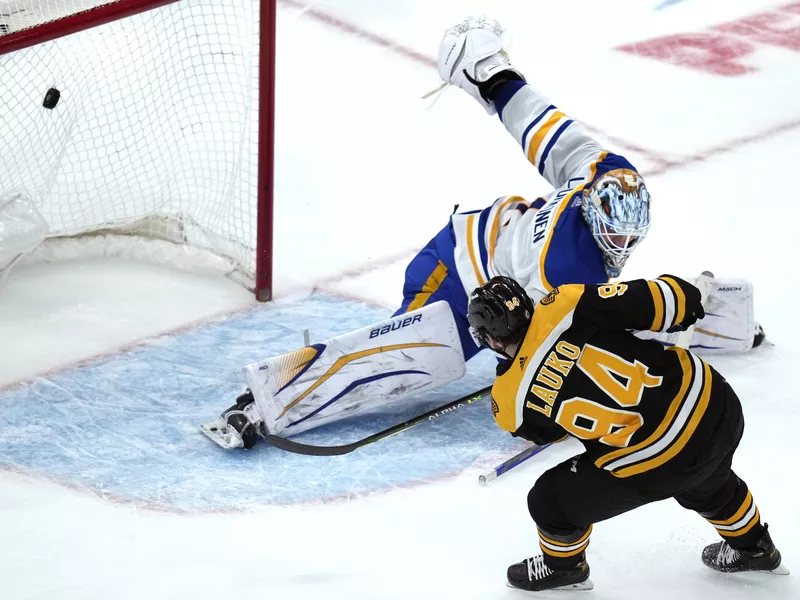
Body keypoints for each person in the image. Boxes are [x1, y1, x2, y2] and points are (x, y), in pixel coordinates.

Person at [200, 16, 754, 450]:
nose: (621, 249)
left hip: (502, 256)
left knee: (608, 316)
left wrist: (493, 76)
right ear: (591, 212)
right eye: (613, 237)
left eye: (629, 240)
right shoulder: (556, 271)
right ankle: (263, 401)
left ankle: (714, 317)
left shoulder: (604, 176)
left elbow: (544, 129)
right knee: (420, 357)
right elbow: (529, 348)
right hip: (456, 273)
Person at [466, 275, 786, 592]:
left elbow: (548, 434)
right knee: (705, 476)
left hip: (664, 460)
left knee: (549, 501)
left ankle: (563, 568)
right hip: (716, 403)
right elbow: (665, 300)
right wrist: (686, 299)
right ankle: (754, 547)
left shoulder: (508, 400)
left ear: (490, 340)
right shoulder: (565, 303)